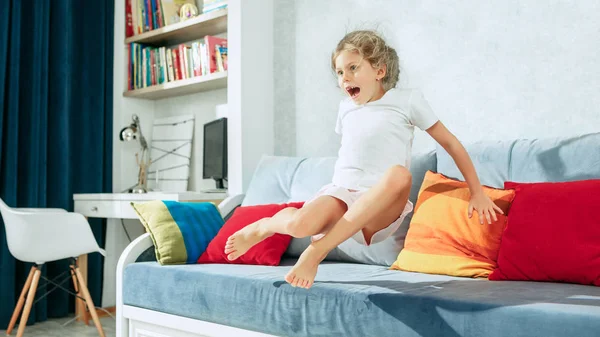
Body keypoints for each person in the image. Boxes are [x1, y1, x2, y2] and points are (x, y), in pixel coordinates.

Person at [224, 30, 503, 289]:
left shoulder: (406, 100)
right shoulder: (345, 108)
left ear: (379, 71)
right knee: (299, 225)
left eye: (353, 68)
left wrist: (477, 192)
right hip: (343, 194)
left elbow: (451, 143)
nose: (345, 78)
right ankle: (263, 226)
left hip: (381, 207)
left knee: (399, 174)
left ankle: (316, 252)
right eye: (340, 72)